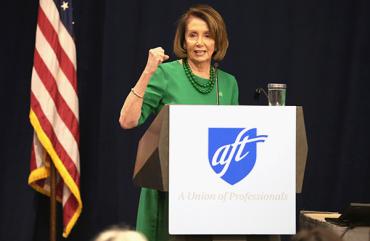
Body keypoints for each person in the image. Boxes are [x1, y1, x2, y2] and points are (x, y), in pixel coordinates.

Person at [119, 4, 239, 241]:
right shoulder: (165, 74)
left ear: (218, 41)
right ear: (183, 41)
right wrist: (148, 71)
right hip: (168, 191)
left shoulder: (229, 83)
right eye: (192, 35)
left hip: (211, 195)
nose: (199, 43)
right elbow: (127, 120)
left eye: (207, 35)